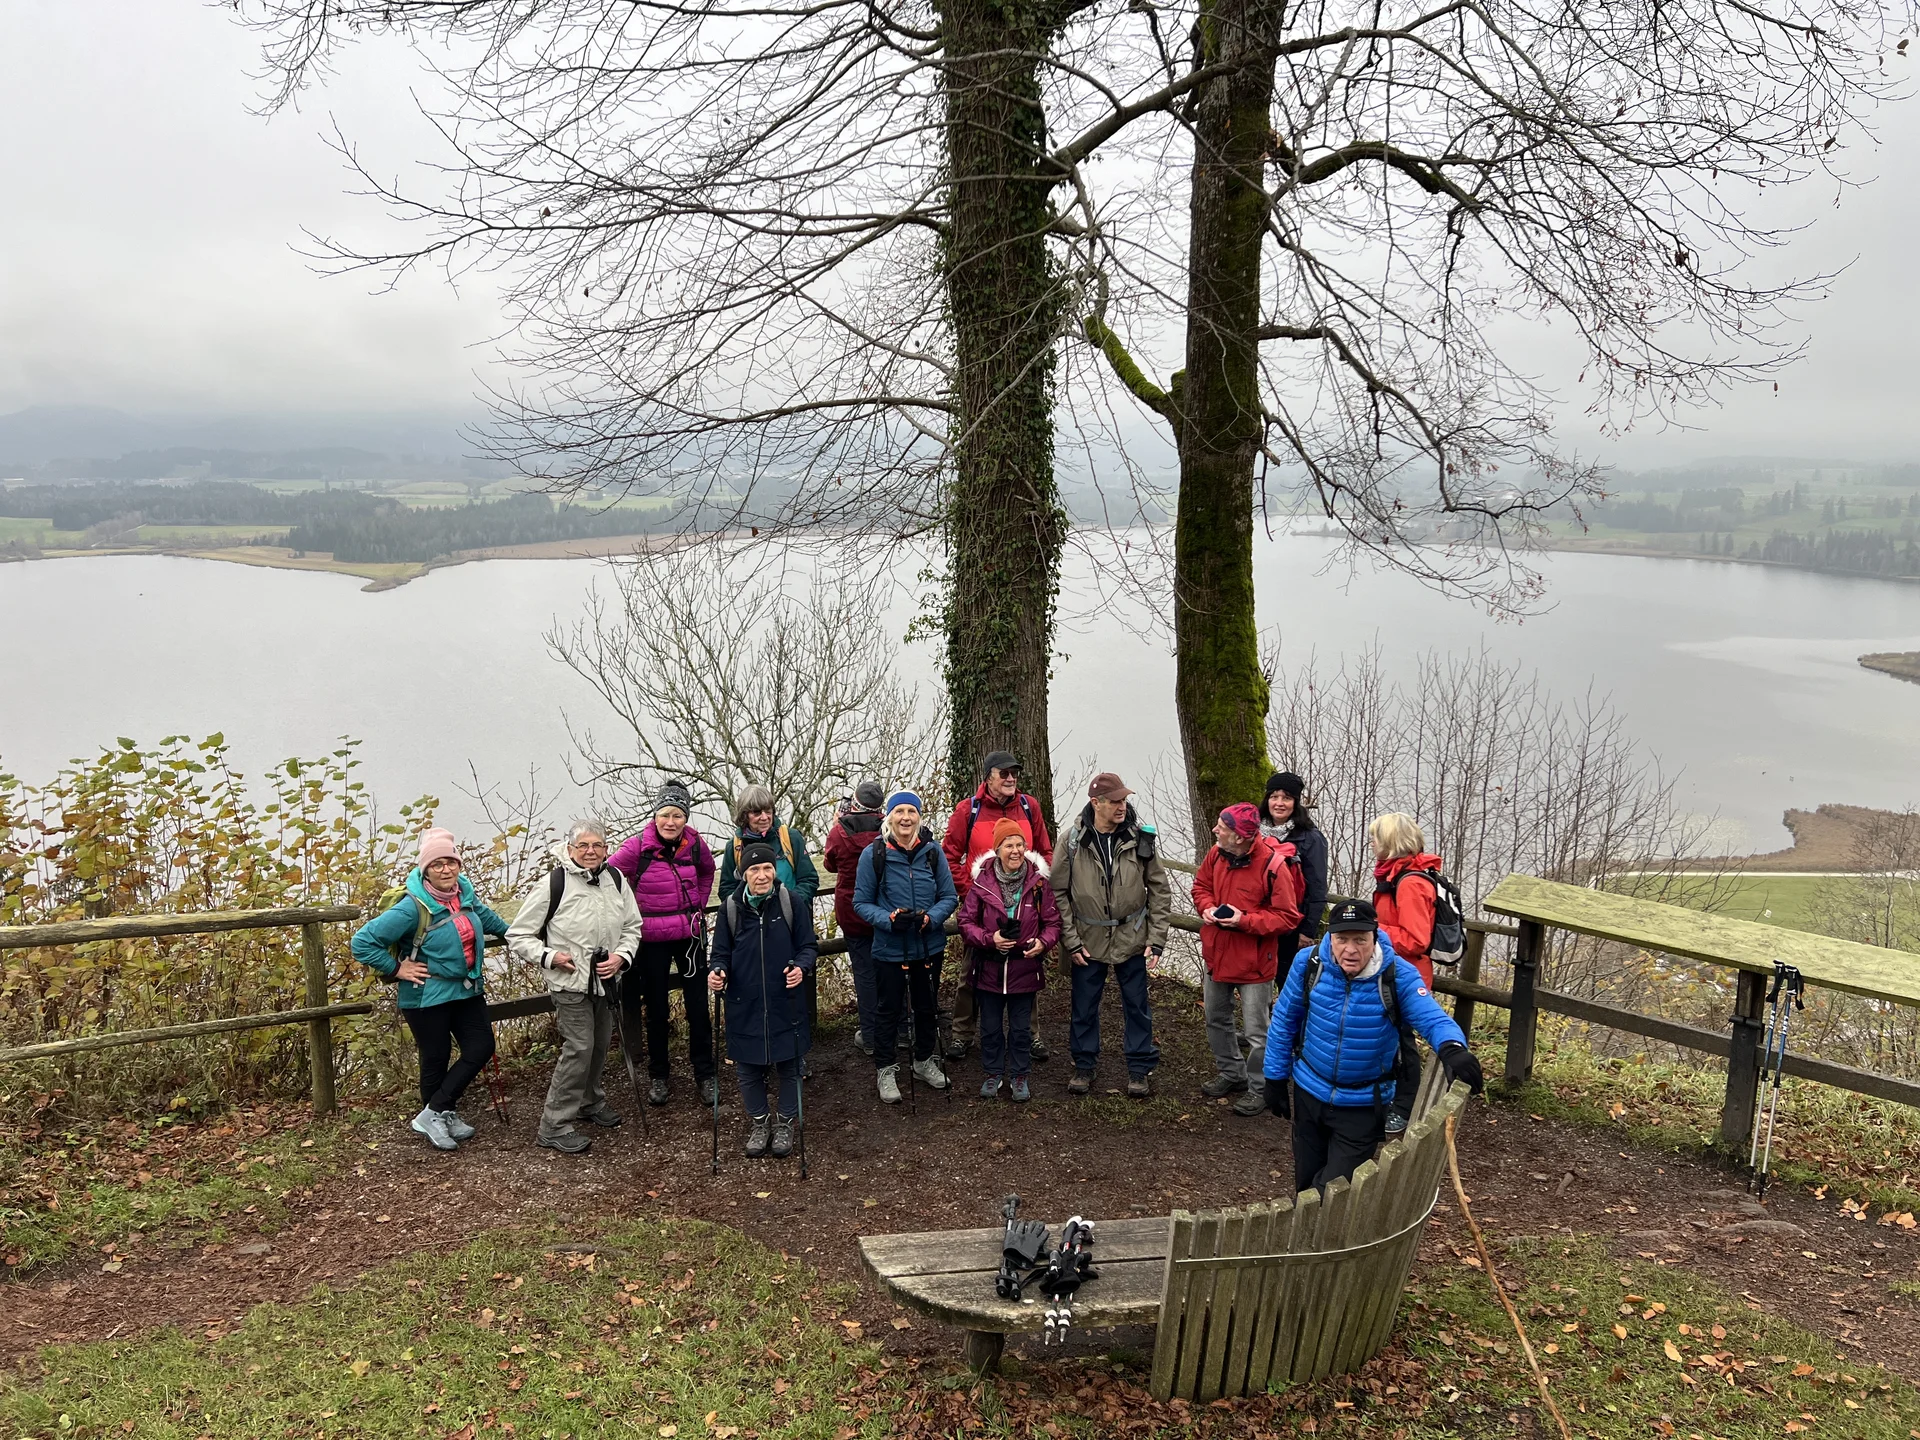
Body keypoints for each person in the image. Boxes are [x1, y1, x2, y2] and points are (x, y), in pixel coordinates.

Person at [1262, 898, 1484, 1192]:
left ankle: (1317, 1234)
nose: (1350, 950)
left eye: (1360, 940)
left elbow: (1432, 1017)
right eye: (1342, 939)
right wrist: (1274, 1076)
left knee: (1332, 1191)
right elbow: (1284, 1019)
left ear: (1374, 937)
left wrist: (1452, 1047)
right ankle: (1312, 1238)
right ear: (1331, 937)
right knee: (1305, 1184)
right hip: (1309, 1092)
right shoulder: (1309, 964)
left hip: (1363, 1103)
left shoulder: (1396, 975)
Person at [352, 828, 510, 1151]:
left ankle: (437, 1111)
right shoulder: (412, 908)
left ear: (459, 866)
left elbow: (489, 920)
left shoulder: (463, 895)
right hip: (426, 994)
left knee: (480, 1046)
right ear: (425, 869)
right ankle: (437, 1114)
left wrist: (521, 936)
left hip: (467, 990)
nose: (446, 869)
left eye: (451, 862)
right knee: (436, 1057)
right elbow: (362, 942)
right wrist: (398, 969)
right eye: (437, 864)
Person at [507, 818, 644, 1155]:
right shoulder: (554, 883)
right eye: (583, 845)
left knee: (598, 1045)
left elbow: (632, 926)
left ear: (606, 849)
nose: (590, 851)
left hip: (606, 980)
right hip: (570, 982)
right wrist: (550, 956)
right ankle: (553, 1125)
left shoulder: (615, 879)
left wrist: (621, 957)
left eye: (597, 845)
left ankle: (589, 1101)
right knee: (580, 1047)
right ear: (570, 850)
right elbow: (518, 934)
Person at [1053, 772, 1170, 1099]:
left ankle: (1139, 1067)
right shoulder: (1072, 841)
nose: (1122, 806)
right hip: (1087, 940)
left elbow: (1159, 889)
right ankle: (1084, 1064)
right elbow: (1058, 892)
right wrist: (1071, 940)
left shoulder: (1139, 838)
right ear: (1096, 803)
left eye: (1124, 800)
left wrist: (1156, 936)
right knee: (1084, 1006)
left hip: (1132, 937)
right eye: (1115, 801)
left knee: (1137, 1005)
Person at [608, 780, 719, 1108]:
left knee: (698, 1007)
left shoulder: (696, 845)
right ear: (655, 815)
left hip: (690, 936)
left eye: (678, 815)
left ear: (686, 818)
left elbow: (707, 872)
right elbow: (609, 875)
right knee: (655, 1009)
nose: (671, 822)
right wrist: (627, 911)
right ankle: (659, 1075)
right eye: (665, 815)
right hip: (650, 940)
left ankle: (706, 1073)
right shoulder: (637, 846)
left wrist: (697, 901)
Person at [940, 750, 1055, 1063]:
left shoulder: (1029, 807)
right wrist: (972, 891)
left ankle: (1030, 1035)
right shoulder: (969, 809)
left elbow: (1045, 851)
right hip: (981, 904)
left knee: (1026, 964)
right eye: (1003, 773)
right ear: (988, 775)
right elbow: (948, 856)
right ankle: (963, 1034)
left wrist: (1039, 888)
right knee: (971, 969)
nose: (1010, 778)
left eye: (1014, 772)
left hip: (1025, 900)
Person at [1193, 802, 1303, 1117]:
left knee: (1258, 1032)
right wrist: (1207, 908)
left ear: (1240, 837)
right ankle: (1232, 1074)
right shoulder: (1215, 854)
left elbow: (1287, 917)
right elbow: (1200, 886)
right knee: (1216, 1018)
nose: (1215, 830)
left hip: (1256, 963)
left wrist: (1244, 921)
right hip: (1218, 953)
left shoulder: (1274, 866)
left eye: (1222, 827)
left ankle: (1260, 1089)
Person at [708, 842, 817, 1158]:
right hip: (745, 1003)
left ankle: (784, 1124)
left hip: (787, 1001)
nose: (762, 874)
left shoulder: (790, 902)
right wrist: (717, 972)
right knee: (747, 1070)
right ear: (743, 873)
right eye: (754, 869)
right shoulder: (731, 907)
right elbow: (720, 955)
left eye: (768, 868)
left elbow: (808, 946)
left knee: (791, 1066)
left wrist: (801, 967)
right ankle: (760, 1123)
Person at [853, 791, 959, 1103]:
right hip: (889, 947)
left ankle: (924, 1060)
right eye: (899, 811)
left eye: (911, 812)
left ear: (919, 817)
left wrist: (932, 918)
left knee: (927, 1007)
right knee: (888, 1010)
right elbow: (860, 902)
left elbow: (948, 896)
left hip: (929, 945)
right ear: (888, 817)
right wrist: (888, 920)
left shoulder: (932, 852)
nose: (905, 818)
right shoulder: (874, 855)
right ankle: (886, 1069)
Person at [956, 820, 1061, 1102]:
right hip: (988, 967)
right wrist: (991, 939)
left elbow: (1052, 923)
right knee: (989, 1027)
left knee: (1021, 1028)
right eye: (1009, 845)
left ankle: (1019, 1075)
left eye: (1020, 845)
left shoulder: (1039, 884)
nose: (1016, 851)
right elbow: (965, 922)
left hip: (1024, 967)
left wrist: (1043, 943)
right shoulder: (981, 884)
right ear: (997, 848)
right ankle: (992, 1074)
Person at [717, 784, 823, 1042]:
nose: (764, 817)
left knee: (797, 984)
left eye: (768, 810)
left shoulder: (791, 838)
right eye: (756, 812)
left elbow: (809, 878)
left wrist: (790, 904)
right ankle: (760, 1049)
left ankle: (799, 1047)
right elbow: (727, 889)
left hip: (789, 923)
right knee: (757, 989)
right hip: (752, 928)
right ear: (744, 815)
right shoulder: (735, 846)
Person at [823, 780, 888, 1055]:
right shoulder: (888, 829)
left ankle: (871, 1034)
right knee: (891, 970)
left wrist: (839, 821)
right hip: (885, 908)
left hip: (852, 911)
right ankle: (899, 1029)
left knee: (864, 973)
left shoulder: (839, 832)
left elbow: (829, 863)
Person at [1262, 772, 1328, 989]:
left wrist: (1307, 931)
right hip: (1257, 921)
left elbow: (1317, 888)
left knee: (1289, 985)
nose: (1279, 803)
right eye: (1274, 797)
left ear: (1296, 803)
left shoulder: (1311, 838)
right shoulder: (1252, 831)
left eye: (1287, 798)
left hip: (1291, 925)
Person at [1369, 812, 1445, 987]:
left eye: (1376, 838)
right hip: (1395, 971)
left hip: (1407, 979)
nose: (1372, 843)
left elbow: (1416, 941)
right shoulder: (1396, 875)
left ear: (1391, 842)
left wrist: (1371, 928)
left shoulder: (1410, 884)